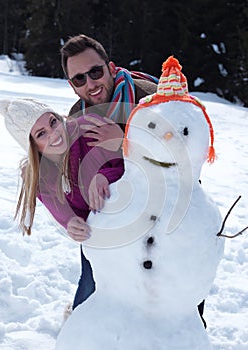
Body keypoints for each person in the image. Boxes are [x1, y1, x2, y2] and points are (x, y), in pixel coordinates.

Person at [60, 34, 207, 327]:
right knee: (95, 281)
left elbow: (185, 150)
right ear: (71, 85)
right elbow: (75, 175)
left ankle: (190, 332)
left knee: (180, 282)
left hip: (169, 206)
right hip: (115, 212)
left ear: (111, 68)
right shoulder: (78, 116)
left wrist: (124, 141)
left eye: (95, 72)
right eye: (79, 79)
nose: (90, 84)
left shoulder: (152, 98)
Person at [0, 98, 124, 309]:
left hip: (133, 219)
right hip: (99, 235)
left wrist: (106, 175)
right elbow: (60, 209)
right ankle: (79, 326)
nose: (53, 133)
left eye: (53, 122)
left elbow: (133, 164)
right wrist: (71, 222)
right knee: (90, 281)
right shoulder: (39, 175)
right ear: (33, 147)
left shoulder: (89, 128)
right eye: (41, 134)